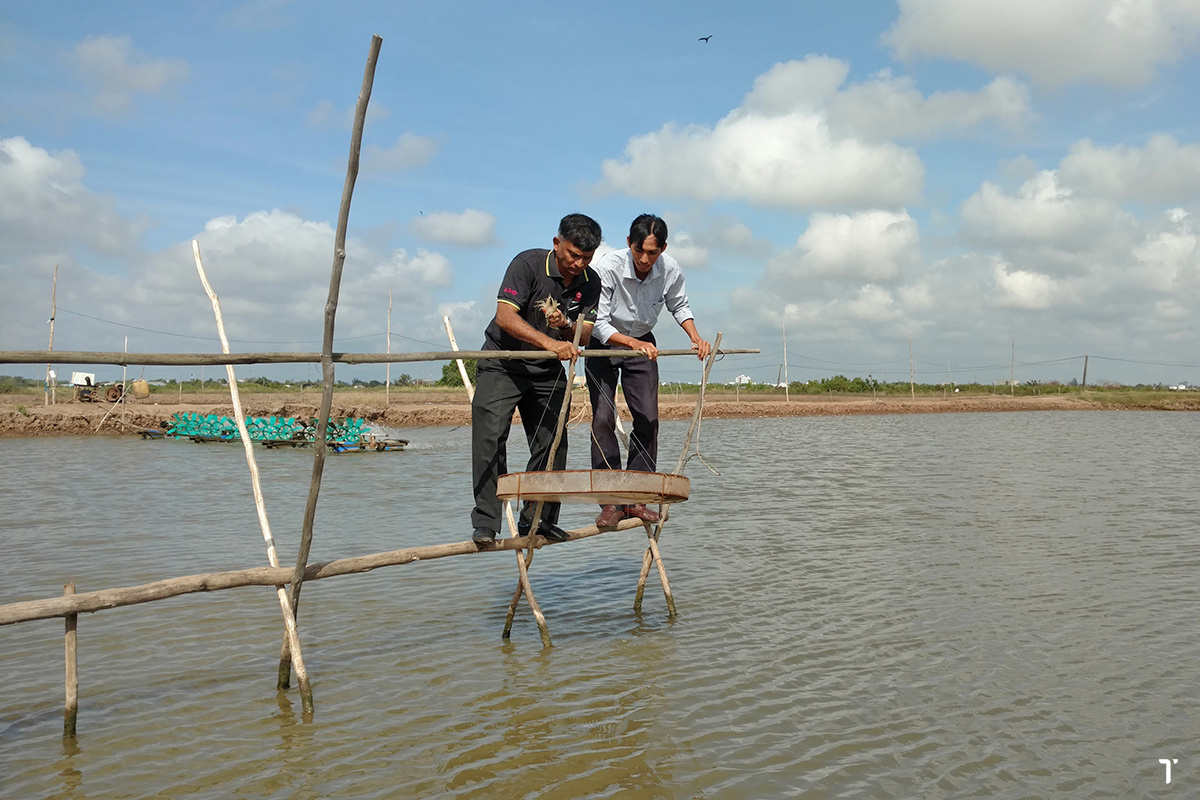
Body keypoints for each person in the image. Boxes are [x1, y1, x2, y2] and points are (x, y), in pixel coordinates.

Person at [470, 213, 603, 545]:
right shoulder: (527, 264)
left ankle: (538, 520)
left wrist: (563, 327)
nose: (578, 263)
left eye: (586, 257)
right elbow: (505, 317)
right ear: (557, 244)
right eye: (573, 255)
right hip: (503, 362)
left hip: (547, 370)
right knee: (489, 438)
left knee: (553, 442)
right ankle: (487, 522)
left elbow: (583, 335)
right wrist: (550, 342)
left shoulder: (591, 281)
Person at [587, 214, 711, 529]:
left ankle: (637, 497)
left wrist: (695, 337)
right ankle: (610, 502)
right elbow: (597, 321)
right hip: (604, 343)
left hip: (643, 343)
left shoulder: (670, 270)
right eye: (639, 251)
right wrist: (628, 342)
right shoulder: (608, 268)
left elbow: (679, 305)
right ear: (629, 243)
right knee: (603, 418)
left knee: (648, 419)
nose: (644, 259)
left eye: (652, 253)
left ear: (663, 249)